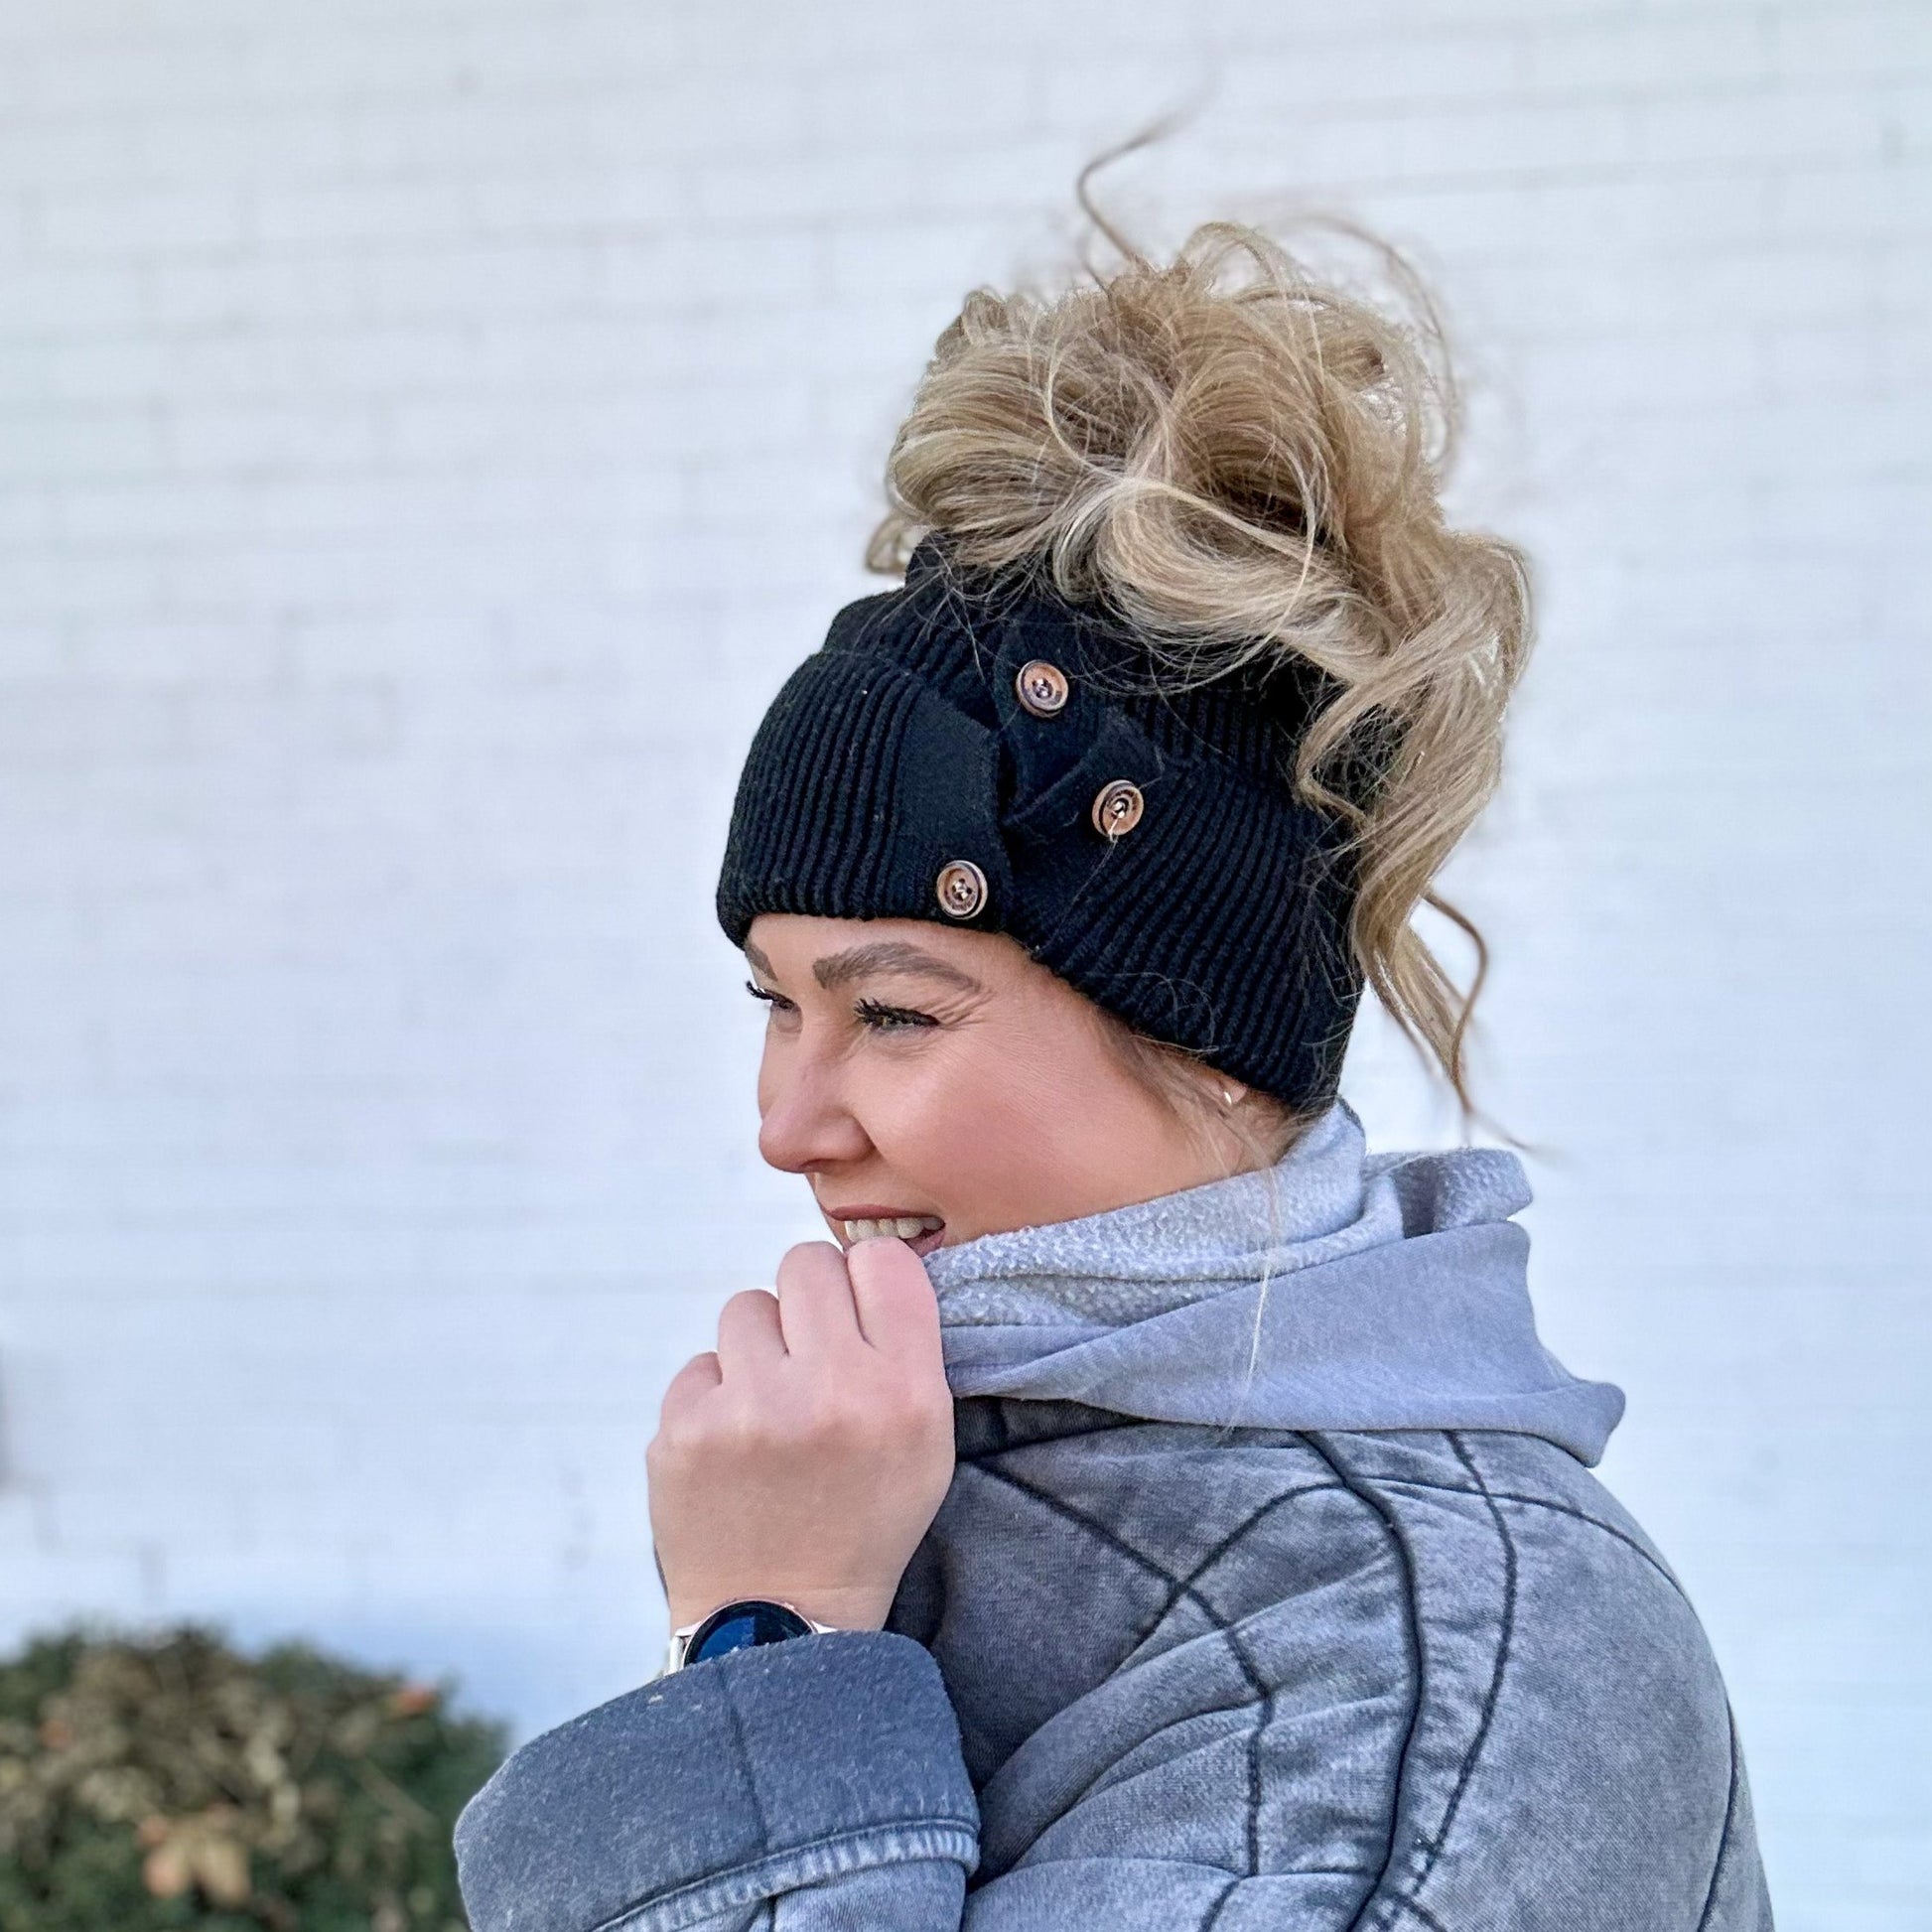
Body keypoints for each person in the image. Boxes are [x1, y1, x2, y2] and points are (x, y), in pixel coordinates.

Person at [453, 219, 1773, 1930]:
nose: (786, 1125)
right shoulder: (924, 1475)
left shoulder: (1426, 1672)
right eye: (775, 1004)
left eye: (897, 1012)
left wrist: (763, 1642)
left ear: (1214, 1043)